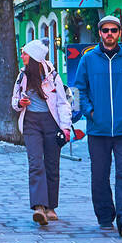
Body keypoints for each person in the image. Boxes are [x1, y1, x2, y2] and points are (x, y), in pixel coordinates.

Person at [70, 14, 122, 238]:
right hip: (98, 130)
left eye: (114, 30)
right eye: (105, 30)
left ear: (120, 33)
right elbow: (79, 90)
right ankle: (105, 217)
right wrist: (90, 112)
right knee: (99, 175)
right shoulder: (88, 60)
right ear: (100, 33)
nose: (109, 34)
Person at [12, 40, 72, 226]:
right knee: (36, 163)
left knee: (52, 165)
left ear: (35, 57)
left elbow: (63, 102)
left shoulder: (52, 76)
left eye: (25, 54)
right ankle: (39, 206)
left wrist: (66, 127)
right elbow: (14, 100)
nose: (22, 57)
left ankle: (51, 207)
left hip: (51, 123)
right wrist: (19, 103)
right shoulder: (22, 76)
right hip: (31, 123)